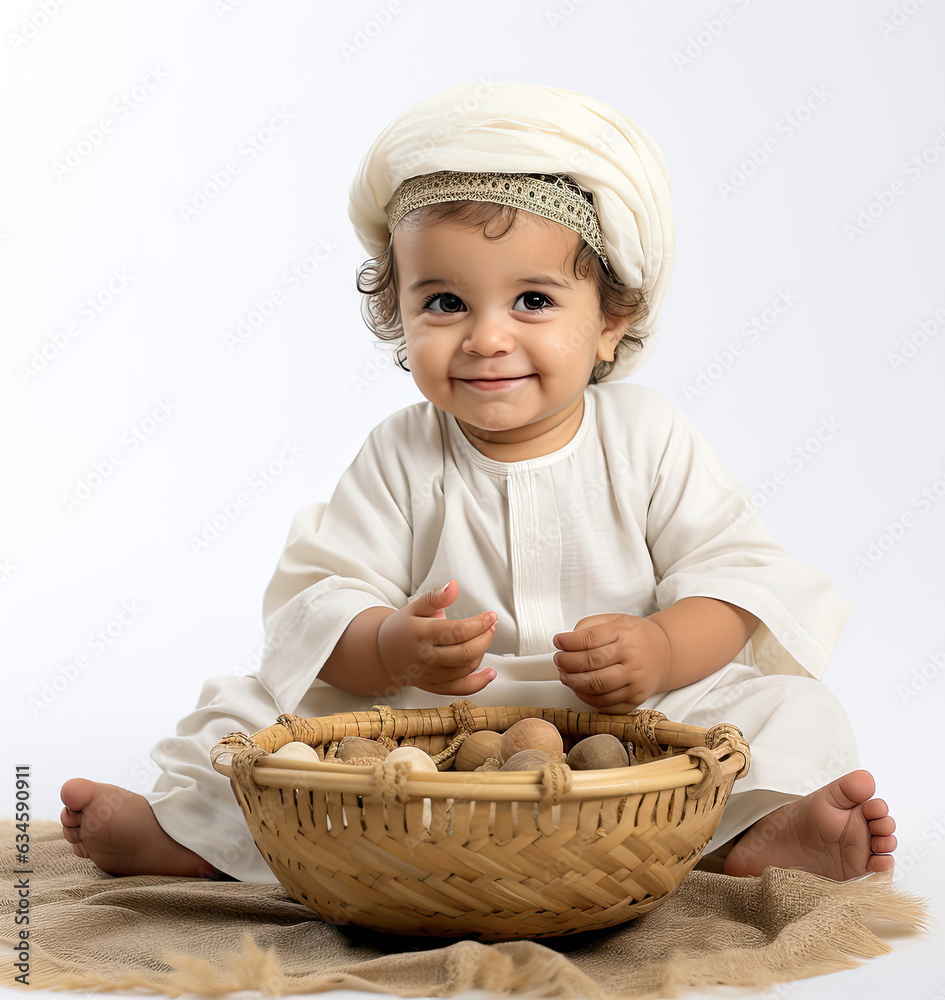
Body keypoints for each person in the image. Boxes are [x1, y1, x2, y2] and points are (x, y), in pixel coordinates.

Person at [60, 80, 896, 884]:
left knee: (793, 709)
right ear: (401, 317)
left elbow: (736, 576)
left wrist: (663, 647)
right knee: (239, 719)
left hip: (629, 723)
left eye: (532, 300)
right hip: (436, 737)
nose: (487, 338)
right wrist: (389, 645)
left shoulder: (648, 435)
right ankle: (195, 840)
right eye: (446, 303)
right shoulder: (401, 453)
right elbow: (320, 600)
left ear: (610, 321)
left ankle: (757, 835)